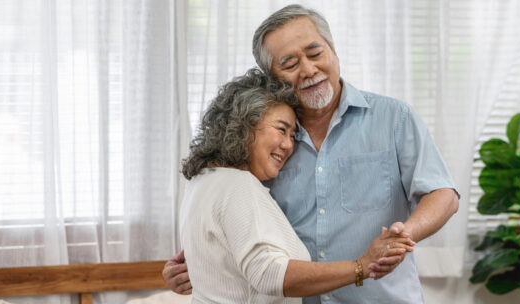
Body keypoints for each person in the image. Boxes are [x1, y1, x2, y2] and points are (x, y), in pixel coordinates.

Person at [165, 4, 460, 303]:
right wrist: (203, 262)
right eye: (290, 63)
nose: (308, 69)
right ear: (272, 78)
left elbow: (444, 194)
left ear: (333, 51)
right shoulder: (264, 143)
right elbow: (237, 216)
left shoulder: (394, 117)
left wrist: (404, 234)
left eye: (315, 53)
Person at [178, 68, 414, 303]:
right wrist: (361, 266)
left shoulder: (201, 181)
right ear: (244, 125)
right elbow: (268, 274)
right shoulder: (238, 185)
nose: (289, 145)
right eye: (281, 130)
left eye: (293, 135)